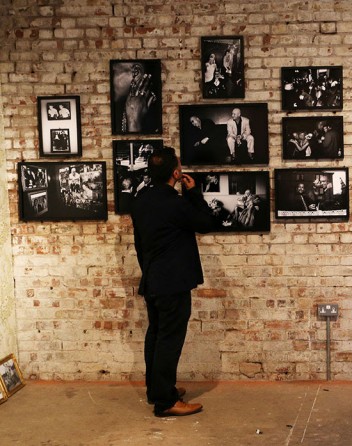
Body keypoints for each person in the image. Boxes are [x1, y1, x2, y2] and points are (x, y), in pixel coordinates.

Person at [132, 146, 220, 418]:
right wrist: (193, 192)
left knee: (156, 336)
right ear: (176, 172)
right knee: (169, 340)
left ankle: (156, 390)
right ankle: (166, 402)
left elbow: (139, 244)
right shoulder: (176, 203)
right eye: (179, 167)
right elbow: (206, 222)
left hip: (153, 280)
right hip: (172, 283)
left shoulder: (141, 200)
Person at [111, 61, 160, 134]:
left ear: (136, 72)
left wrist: (134, 122)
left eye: (114, 72)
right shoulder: (119, 110)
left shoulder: (156, 116)